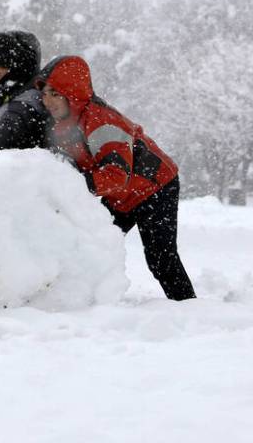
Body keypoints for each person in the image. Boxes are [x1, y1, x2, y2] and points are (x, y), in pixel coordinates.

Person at [34, 55, 196, 301]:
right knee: (93, 245)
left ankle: (187, 306)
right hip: (119, 195)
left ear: (73, 94)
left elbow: (115, 175)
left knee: (160, 258)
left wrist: (72, 187)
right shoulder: (61, 123)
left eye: (55, 94)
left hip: (155, 188)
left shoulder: (100, 121)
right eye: (44, 93)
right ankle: (84, 300)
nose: (48, 101)